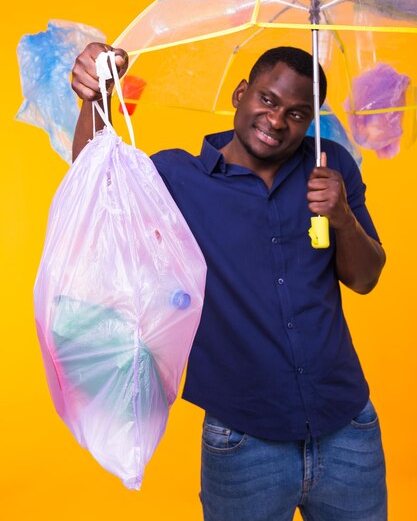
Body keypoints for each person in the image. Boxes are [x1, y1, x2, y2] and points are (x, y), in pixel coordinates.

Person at [71, 43, 387, 521]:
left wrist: (341, 216)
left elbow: (365, 278)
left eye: (298, 114)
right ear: (242, 93)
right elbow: (95, 187)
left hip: (348, 429)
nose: (278, 121)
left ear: (311, 121)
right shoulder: (179, 176)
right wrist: (95, 97)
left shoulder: (331, 165)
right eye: (268, 100)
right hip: (244, 441)